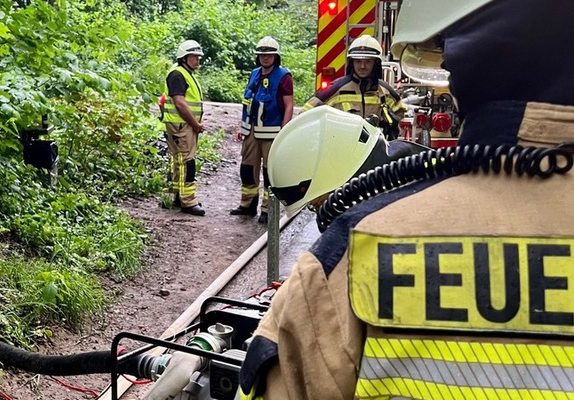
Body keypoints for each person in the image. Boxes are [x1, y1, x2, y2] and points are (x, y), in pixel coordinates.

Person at [238, 0, 574, 399]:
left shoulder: (358, 248)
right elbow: (311, 107)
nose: (363, 66)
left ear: (459, 66)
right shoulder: (336, 90)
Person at [230, 36, 294, 224]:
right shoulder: (254, 74)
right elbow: (249, 103)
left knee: (269, 172)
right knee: (247, 169)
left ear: (276, 56)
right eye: (262, 55)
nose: (265, 58)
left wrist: (284, 131)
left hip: (272, 132)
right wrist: (242, 127)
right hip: (250, 131)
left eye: (269, 55)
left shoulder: (284, 77)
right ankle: (247, 205)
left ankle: (267, 209)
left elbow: (289, 105)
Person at [304, 34, 406, 140]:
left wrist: (392, 127)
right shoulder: (336, 89)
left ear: (376, 63)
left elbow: (401, 114)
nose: (362, 66)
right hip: (342, 145)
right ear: (351, 63)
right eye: (358, 61)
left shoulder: (385, 91)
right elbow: (306, 113)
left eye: (368, 61)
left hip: (375, 146)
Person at [162, 39, 206, 216]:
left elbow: (165, 101)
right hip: (182, 125)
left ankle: (177, 196)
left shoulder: (184, 74)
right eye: (194, 57)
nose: (198, 60)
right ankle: (188, 200)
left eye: (198, 57)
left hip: (181, 125)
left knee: (178, 161)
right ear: (184, 58)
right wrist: (195, 124)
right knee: (187, 162)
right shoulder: (178, 75)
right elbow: (179, 103)